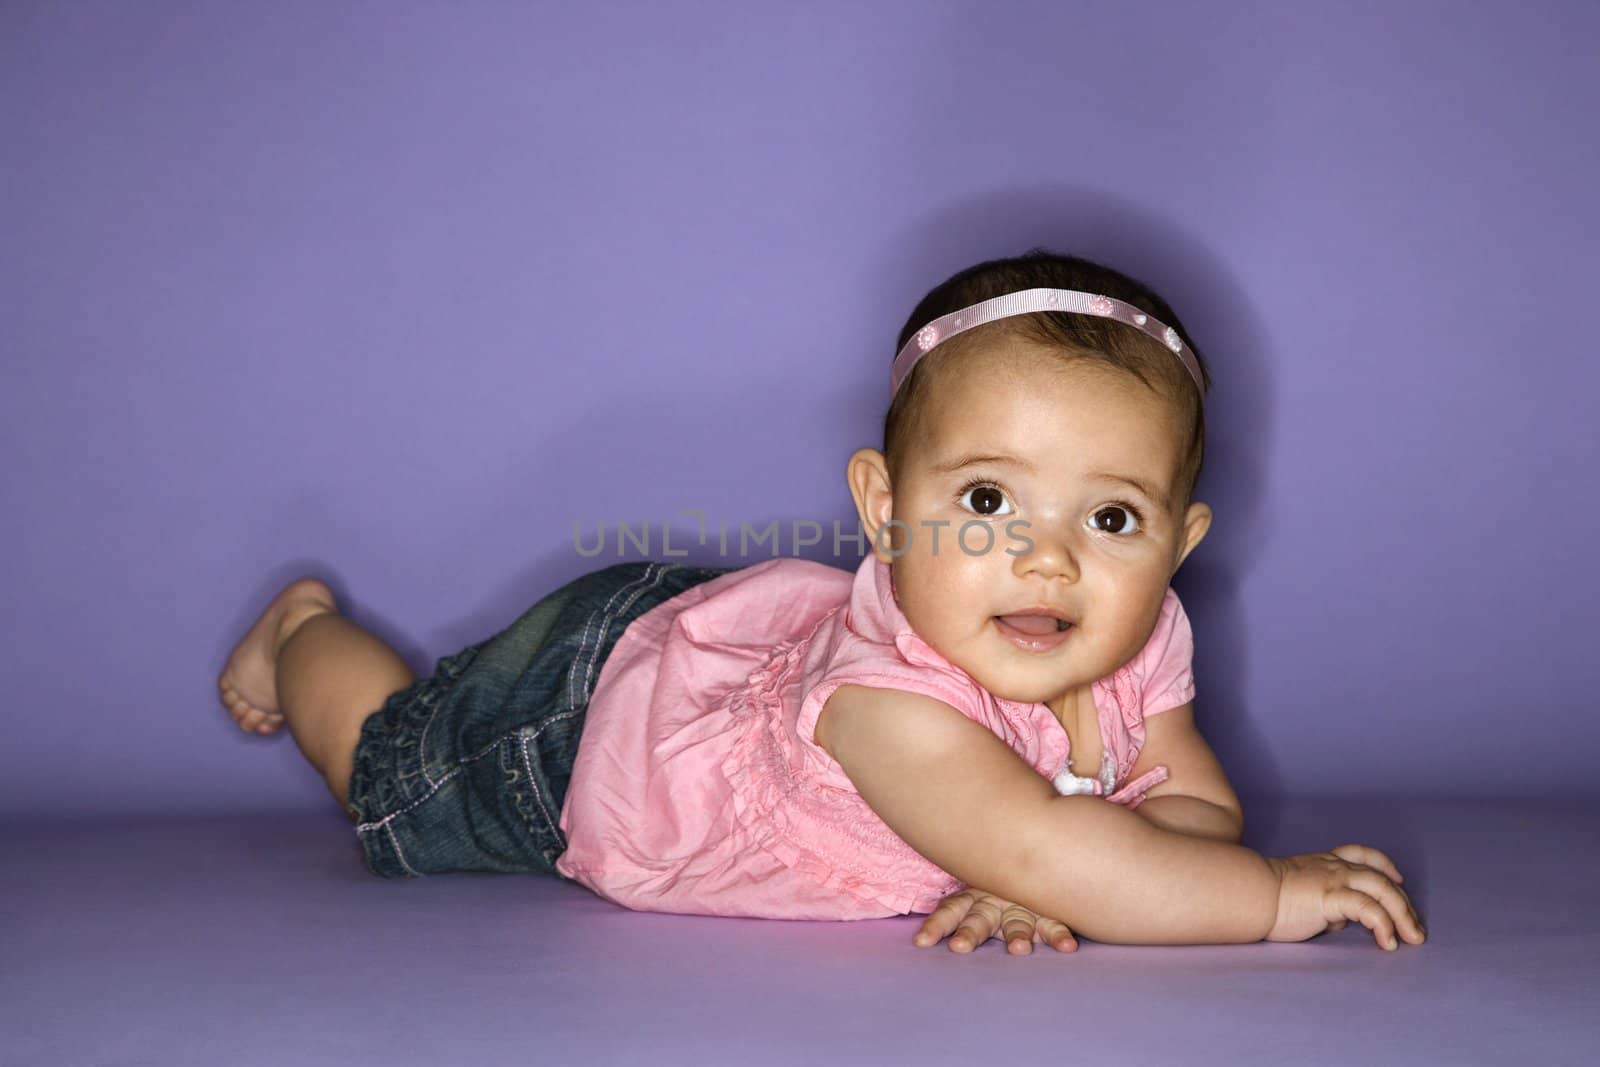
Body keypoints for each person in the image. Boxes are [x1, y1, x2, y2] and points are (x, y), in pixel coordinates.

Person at [217, 248, 1426, 955]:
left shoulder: (1139, 639)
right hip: (587, 719)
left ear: (1176, 542)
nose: (1049, 562)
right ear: (886, 506)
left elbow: (1194, 807)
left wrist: (1074, 874)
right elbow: (1059, 840)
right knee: (390, 776)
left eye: (1111, 518)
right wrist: (1266, 897)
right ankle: (305, 634)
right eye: (989, 500)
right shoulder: (886, 707)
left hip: (738, 645)